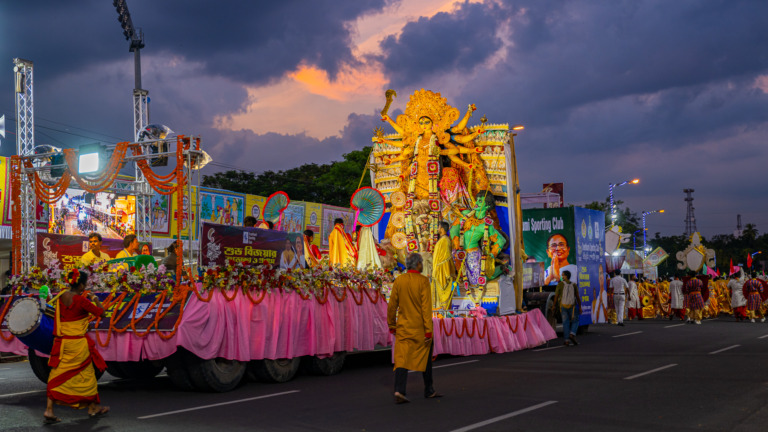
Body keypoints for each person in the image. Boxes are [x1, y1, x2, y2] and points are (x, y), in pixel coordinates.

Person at [43, 269, 109, 424]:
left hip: (63, 343)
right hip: (78, 344)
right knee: (87, 375)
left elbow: (64, 317)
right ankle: (92, 407)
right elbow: (102, 313)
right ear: (80, 285)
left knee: (56, 374)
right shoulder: (81, 300)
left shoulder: (60, 297)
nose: (85, 287)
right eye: (84, 284)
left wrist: (81, 324)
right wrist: (95, 298)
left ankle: (49, 409)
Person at [387, 253, 440, 404]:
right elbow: (426, 308)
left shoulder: (399, 280)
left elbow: (392, 306)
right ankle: (429, 389)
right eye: (421, 262)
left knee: (401, 360)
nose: (422, 265)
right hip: (420, 329)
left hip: (403, 327)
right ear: (417, 265)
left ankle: (399, 390)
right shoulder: (423, 281)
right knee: (426, 359)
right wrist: (428, 331)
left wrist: (392, 325)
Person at [432, 221, 455, 310]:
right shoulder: (442, 240)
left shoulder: (445, 240)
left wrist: (446, 273)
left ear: (441, 228)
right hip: (438, 271)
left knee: (444, 293)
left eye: (438, 227)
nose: (437, 229)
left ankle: (445, 316)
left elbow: (446, 259)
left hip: (442, 272)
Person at [555, 270, 581, 346]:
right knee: (575, 321)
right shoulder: (574, 285)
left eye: (563, 275)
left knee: (565, 323)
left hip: (563, 306)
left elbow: (556, 296)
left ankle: (566, 340)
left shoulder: (560, 285)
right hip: (572, 307)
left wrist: (554, 306)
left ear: (567, 276)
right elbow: (577, 297)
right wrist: (580, 307)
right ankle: (572, 333)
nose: (562, 276)